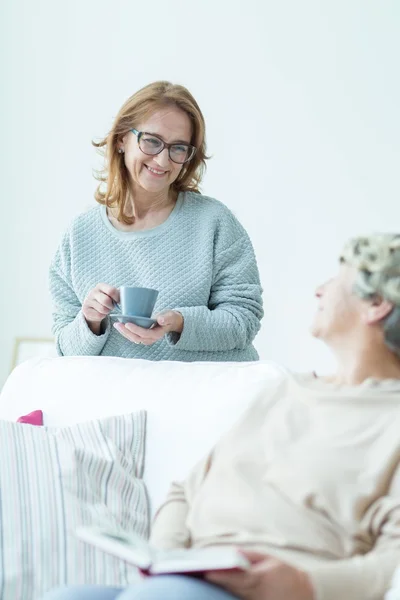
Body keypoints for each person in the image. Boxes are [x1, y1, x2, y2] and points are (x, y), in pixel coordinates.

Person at [43, 233, 400, 600]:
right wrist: (164, 559)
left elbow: (393, 561)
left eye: (337, 278)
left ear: (375, 304)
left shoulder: (391, 421)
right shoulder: (282, 390)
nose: (320, 290)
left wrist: (305, 585)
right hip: (188, 577)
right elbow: (185, 491)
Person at [49, 81, 263, 362]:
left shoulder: (214, 222)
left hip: (209, 394)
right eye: (151, 141)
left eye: (178, 148)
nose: (163, 160)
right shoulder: (79, 236)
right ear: (122, 139)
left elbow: (243, 321)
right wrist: (89, 321)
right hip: (119, 398)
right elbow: (65, 351)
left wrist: (179, 323)